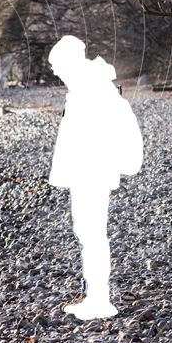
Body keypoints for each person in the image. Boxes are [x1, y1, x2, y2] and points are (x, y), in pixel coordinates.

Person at [47, 35, 143, 320]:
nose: (57, 73)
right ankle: (94, 295)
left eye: (58, 67)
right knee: (87, 232)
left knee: (92, 233)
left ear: (70, 62)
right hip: (87, 172)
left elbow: (100, 134)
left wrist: (103, 166)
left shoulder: (92, 89)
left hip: (92, 173)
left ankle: (100, 299)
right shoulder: (86, 86)